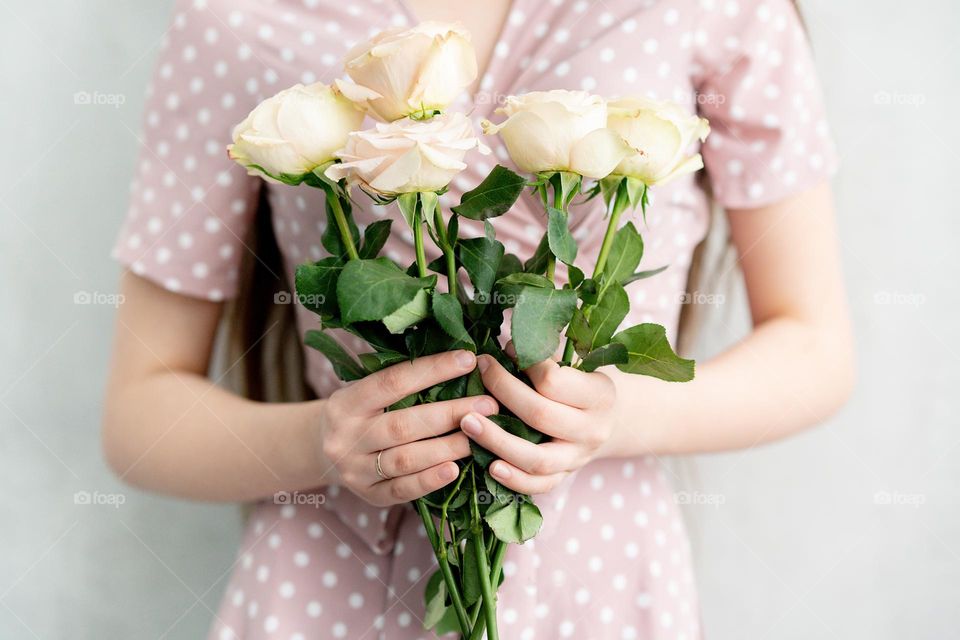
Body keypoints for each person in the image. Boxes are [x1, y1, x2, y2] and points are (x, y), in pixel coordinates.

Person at [103, 0, 854, 638]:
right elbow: (139, 417)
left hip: (599, 586)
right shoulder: (239, 17)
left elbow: (814, 347)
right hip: (325, 586)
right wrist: (323, 442)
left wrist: (619, 417)